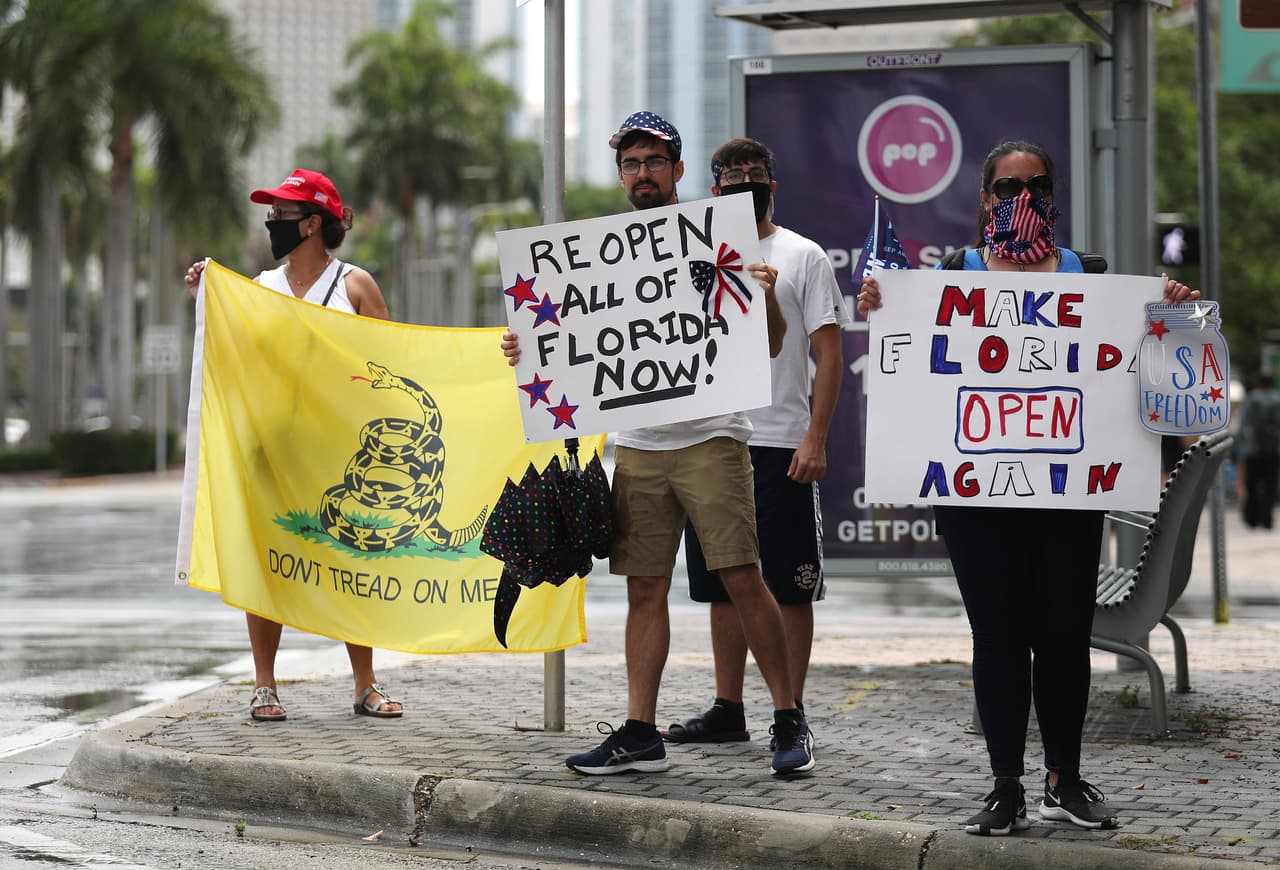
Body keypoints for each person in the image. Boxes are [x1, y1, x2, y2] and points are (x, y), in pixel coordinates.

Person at [858, 139, 1200, 835]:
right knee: (1000, 634)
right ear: (984, 198)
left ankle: (1064, 779)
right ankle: (1005, 784)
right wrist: (881, 306)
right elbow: (907, 362)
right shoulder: (952, 276)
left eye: (1037, 185)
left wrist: (1173, 316)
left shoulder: (1091, 278)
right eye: (1008, 186)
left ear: (1054, 193)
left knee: (1065, 636)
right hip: (973, 494)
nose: (1023, 198)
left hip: (1068, 490)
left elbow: (1151, 379)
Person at [502, 112, 815, 777]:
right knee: (645, 587)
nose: (641, 174)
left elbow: (770, 345)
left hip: (712, 438)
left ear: (677, 170)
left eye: (654, 161)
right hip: (638, 444)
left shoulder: (717, 238)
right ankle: (640, 730)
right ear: (620, 176)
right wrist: (526, 347)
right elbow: (568, 340)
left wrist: (765, 300)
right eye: (630, 163)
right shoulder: (597, 252)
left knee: (740, 575)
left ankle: (788, 715)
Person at [184, 168, 402, 722]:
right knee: (269, 564)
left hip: (339, 456)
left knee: (353, 562)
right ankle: (264, 685)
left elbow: (393, 365)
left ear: (311, 224)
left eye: (280, 215)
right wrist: (208, 297)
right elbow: (235, 358)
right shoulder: (261, 289)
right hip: (271, 453)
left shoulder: (355, 286)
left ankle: (365, 684)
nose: (271, 223)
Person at [663, 137, 850, 747]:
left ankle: (788, 713)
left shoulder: (804, 255)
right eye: (733, 175)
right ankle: (728, 706)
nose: (746, 182)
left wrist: (814, 438)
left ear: (775, 183)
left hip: (780, 441)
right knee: (725, 581)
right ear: (714, 189)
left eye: (756, 173)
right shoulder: (692, 252)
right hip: (714, 440)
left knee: (789, 585)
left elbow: (829, 356)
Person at [1237, 369, 1280, 529]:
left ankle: (1252, 519)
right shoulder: (1277, 398)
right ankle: (1267, 519)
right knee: (1270, 487)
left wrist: (1239, 445)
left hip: (1253, 449)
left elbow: (1243, 423)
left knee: (1252, 485)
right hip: (1273, 450)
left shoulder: (1252, 398)